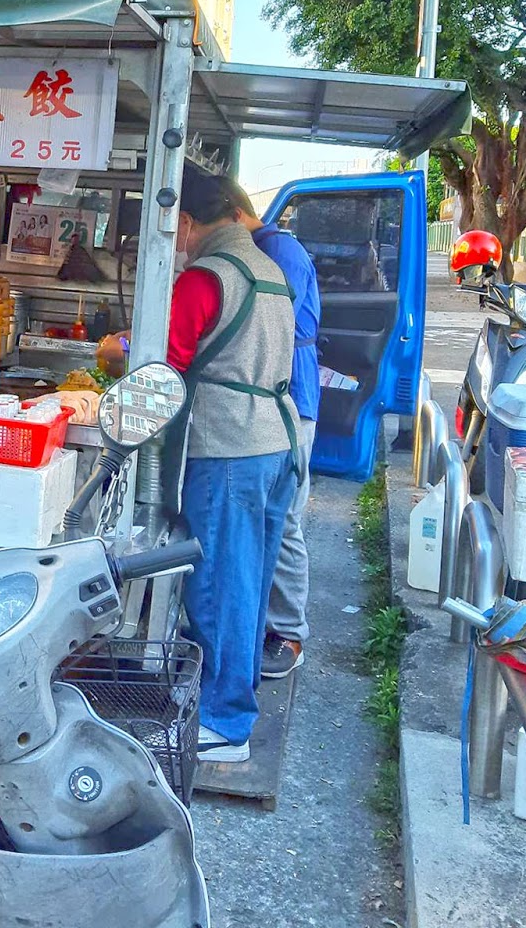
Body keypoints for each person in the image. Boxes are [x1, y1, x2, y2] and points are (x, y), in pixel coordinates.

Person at [165, 167, 299, 764]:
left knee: (220, 585)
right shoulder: (268, 270)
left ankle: (225, 722)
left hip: (227, 447)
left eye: (175, 228)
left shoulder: (205, 278)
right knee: (248, 583)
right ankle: (227, 702)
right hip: (275, 443)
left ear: (189, 221)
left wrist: (119, 353)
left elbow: (166, 365)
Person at [221, 178, 321, 681]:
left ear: (235, 216)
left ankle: (288, 631)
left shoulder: (279, 251)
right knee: (266, 519)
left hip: (290, 398)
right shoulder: (267, 247)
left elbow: (267, 321)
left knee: (285, 520)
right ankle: (259, 622)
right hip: (276, 395)